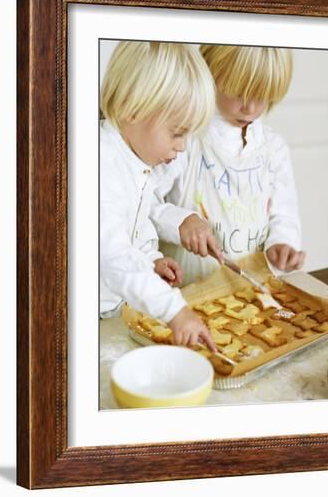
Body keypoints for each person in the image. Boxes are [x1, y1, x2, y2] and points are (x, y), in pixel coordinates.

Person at [100, 41, 221, 351]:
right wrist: (175, 312)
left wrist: (150, 260)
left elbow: (137, 217)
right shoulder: (100, 163)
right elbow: (111, 255)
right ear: (132, 108)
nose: (182, 147)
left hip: (120, 308)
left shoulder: (136, 156)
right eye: (177, 132)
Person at [153, 44, 305, 286]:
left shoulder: (274, 148)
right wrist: (179, 221)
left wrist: (282, 244)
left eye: (261, 95)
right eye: (238, 92)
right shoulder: (185, 139)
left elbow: (284, 216)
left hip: (252, 294)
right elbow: (143, 205)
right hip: (186, 294)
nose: (250, 107)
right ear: (211, 75)